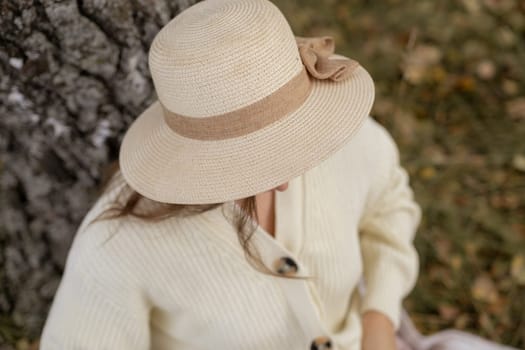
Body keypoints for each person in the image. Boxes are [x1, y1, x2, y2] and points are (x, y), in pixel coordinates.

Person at [39, 0, 421, 349]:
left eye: (292, 141)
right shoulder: (118, 243)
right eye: (249, 161)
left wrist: (379, 321)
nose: (284, 179)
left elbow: (389, 206)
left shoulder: (343, 140)